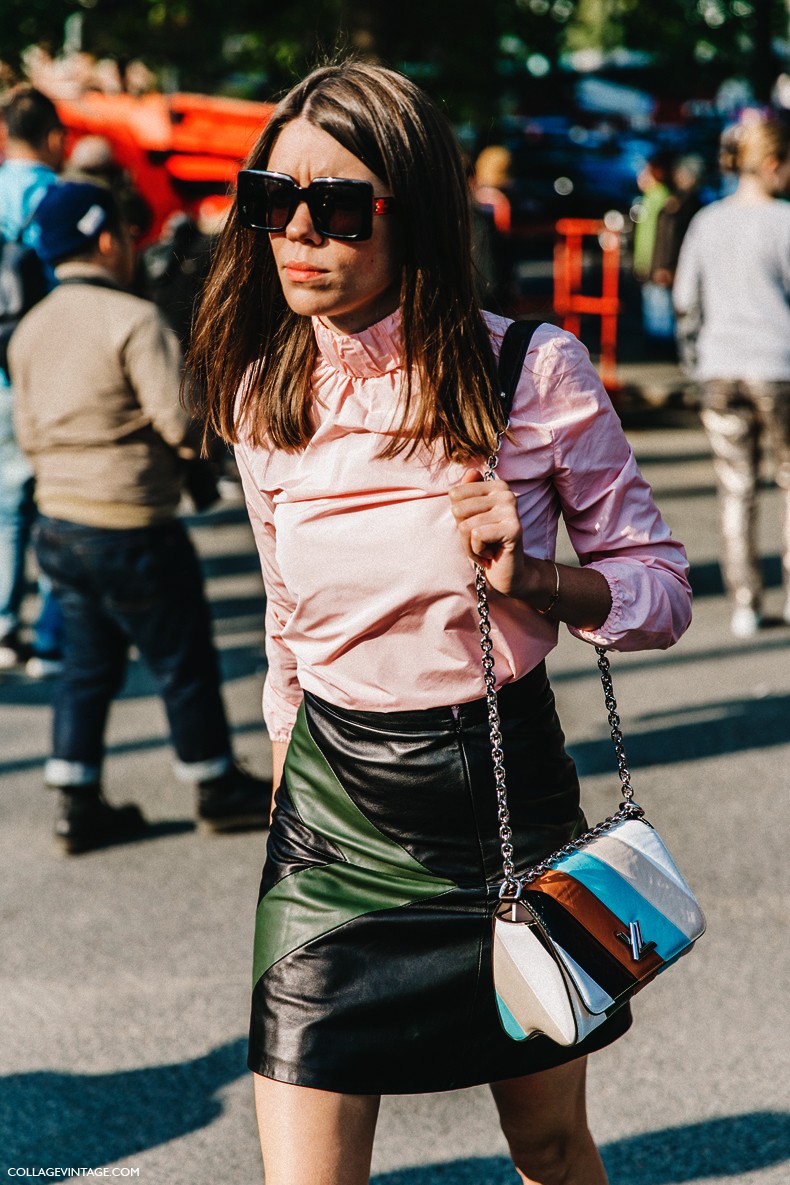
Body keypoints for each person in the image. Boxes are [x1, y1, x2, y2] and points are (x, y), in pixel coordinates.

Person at [187, 62, 692, 1185]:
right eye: (274, 199)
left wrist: (537, 583)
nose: (299, 231)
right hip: (329, 824)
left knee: (550, 1146)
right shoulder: (262, 392)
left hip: (502, 802)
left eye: (339, 206)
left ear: (410, 212)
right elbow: (285, 612)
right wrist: (283, 754)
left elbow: (660, 588)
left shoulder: (530, 370)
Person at [8, 181, 271, 854]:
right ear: (105, 240)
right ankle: (216, 784)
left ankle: (76, 797)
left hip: (60, 525)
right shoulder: (131, 321)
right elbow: (182, 427)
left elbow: (29, 428)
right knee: (182, 656)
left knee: (85, 665)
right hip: (132, 520)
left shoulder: (30, 328)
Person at [673, 117, 790, 639]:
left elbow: (684, 300)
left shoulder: (707, 221)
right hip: (780, 366)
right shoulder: (784, 222)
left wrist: (696, 360)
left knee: (735, 488)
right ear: (772, 164)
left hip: (720, 368)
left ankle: (745, 601)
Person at [0, 84, 65, 677]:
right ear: (52, 136)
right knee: (49, 501)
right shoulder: (57, 198)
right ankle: (50, 633)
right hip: (44, 369)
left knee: (3, 506)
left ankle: (1, 626)